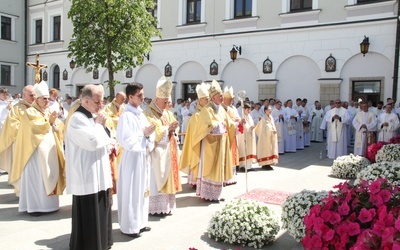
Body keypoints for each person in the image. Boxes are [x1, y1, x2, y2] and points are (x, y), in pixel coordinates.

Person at [65, 84, 113, 250]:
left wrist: (103, 127)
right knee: (90, 213)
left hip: (99, 172)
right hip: (87, 174)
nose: (101, 105)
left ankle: (102, 243)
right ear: (86, 100)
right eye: (98, 102)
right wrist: (100, 125)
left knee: (102, 208)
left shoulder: (92, 117)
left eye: (102, 101)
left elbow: (106, 141)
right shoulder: (77, 119)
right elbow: (92, 143)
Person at [10, 81, 65, 215]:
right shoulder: (30, 112)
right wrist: (50, 122)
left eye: (48, 98)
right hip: (34, 153)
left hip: (48, 152)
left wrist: (55, 124)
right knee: (37, 179)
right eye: (44, 99)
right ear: (37, 99)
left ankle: (50, 206)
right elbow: (34, 128)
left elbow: (58, 127)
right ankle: (35, 207)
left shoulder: (48, 111)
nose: (47, 101)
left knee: (48, 175)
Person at [116, 82, 155, 238]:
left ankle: (141, 222)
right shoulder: (126, 116)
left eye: (143, 94)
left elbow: (149, 134)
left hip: (142, 157)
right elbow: (125, 140)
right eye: (139, 95)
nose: (142, 97)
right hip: (132, 160)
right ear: (130, 97)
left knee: (142, 191)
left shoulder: (141, 113)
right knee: (132, 192)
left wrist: (149, 135)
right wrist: (144, 135)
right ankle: (129, 226)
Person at [186, 80, 236, 202]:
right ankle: (208, 194)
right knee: (210, 168)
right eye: (220, 96)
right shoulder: (207, 109)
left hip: (221, 144)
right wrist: (220, 124)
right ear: (213, 97)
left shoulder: (221, 109)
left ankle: (217, 193)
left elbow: (229, 123)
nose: (222, 97)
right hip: (210, 145)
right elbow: (206, 125)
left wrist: (236, 124)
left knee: (219, 168)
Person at [143, 76, 182, 215]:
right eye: (165, 101)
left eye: (168, 101)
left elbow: (172, 125)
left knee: (168, 177)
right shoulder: (148, 112)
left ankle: (166, 206)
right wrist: (167, 129)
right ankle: (156, 208)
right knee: (156, 179)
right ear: (157, 99)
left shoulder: (166, 112)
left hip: (169, 150)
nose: (167, 103)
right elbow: (153, 129)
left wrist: (174, 128)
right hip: (157, 152)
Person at [0, 85, 36, 179]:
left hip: (34, 141)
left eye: (34, 95)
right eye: (31, 95)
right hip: (21, 141)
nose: (34, 98)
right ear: (24, 95)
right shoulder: (17, 108)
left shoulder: (37, 107)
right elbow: (13, 125)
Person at [180, 83, 210, 187]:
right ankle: (196, 181)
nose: (208, 101)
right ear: (200, 100)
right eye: (206, 99)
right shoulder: (196, 115)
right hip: (199, 144)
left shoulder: (209, 112)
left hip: (208, 144)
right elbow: (195, 132)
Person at [104, 91, 127, 194]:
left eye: (124, 99)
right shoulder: (109, 107)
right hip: (115, 134)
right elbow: (108, 120)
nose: (123, 101)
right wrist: (120, 120)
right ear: (116, 97)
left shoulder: (124, 107)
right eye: (122, 99)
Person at [221, 86, 240, 185]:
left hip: (232, 135)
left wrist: (239, 121)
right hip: (225, 136)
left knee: (232, 155)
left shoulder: (231, 108)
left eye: (232, 99)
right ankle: (224, 178)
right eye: (229, 99)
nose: (231, 101)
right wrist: (234, 122)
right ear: (224, 98)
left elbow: (235, 118)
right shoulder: (221, 109)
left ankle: (231, 177)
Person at [255, 105, 278, 170]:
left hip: (271, 138)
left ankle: (269, 163)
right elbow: (263, 128)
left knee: (270, 150)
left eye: (270, 110)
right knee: (265, 150)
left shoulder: (271, 117)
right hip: (265, 138)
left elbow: (272, 125)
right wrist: (271, 130)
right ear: (265, 111)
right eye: (268, 110)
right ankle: (264, 164)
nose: (270, 111)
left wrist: (273, 131)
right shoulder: (263, 119)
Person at [237, 103, 257, 171]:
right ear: (244, 109)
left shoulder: (250, 116)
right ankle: (243, 166)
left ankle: (249, 166)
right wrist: (249, 128)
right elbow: (243, 127)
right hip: (244, 137)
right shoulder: (242, 117)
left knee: (250, 150)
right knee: (244, 150)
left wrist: (252, 127)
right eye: (248, 109)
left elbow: (251, 123)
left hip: (250, 135)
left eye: (250, 109)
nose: (249, 110)